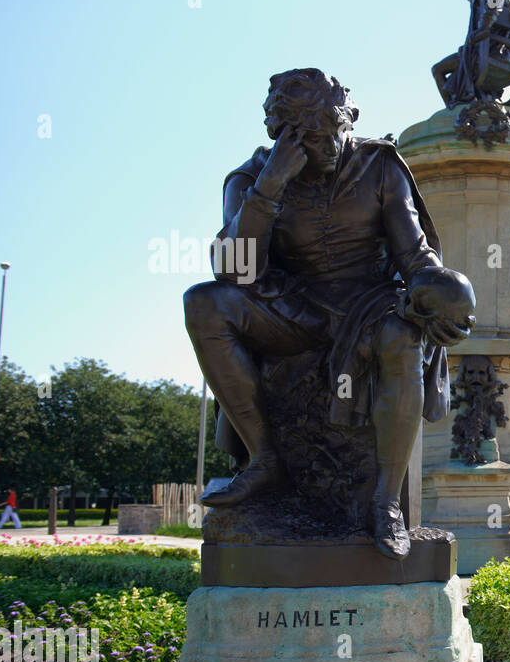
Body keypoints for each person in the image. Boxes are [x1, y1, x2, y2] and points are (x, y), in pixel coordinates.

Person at [183, 68, 475, 559]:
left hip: (369, 305)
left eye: (329, 132)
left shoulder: (380, 166)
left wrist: (442, 292)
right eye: (304, 138)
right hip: (293, 311)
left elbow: (415, 255)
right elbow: (234, 269)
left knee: (402, 335)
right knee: (204, 303)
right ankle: (264, 459)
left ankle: (385, 502)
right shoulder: (253, 175)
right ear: (283, 137)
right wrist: (272, 185)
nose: (324, 147)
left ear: (348, 120)